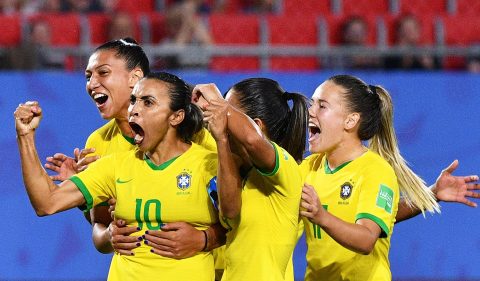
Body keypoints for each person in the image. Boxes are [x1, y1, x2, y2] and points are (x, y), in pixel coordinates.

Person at [15, 72, 220, 280]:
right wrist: (25, 136)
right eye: (133, 101)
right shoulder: (115, 165)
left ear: (176, 116)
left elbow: (244, 224)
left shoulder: (209, 164)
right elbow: (46, 202)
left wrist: (205, 238)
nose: (134, 110)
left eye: (148, 102)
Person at [43, 38, 224, 259]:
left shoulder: (191, 130)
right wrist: (89, 200)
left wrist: (203, 239)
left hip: (209, 267)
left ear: (135, 77)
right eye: (88, 77)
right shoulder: (98, 143)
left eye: (103, 73)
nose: (92, 84)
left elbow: (234, 209)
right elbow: (100, 230)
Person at [300, 74, 441, 281]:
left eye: (322, 106)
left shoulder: (376, 170)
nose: (310, 112)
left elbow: (367, 239)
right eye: (312, 104)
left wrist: (321, 216)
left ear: (350, 120)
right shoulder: (310, 167)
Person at [193, 78, 308, 281]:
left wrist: (219, 104)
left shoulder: (287, 169)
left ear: (256, 125)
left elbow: (253, 140)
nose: (220, 118)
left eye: (228, 113)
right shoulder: (234, 169)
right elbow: (229, 211)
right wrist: (221, 139)